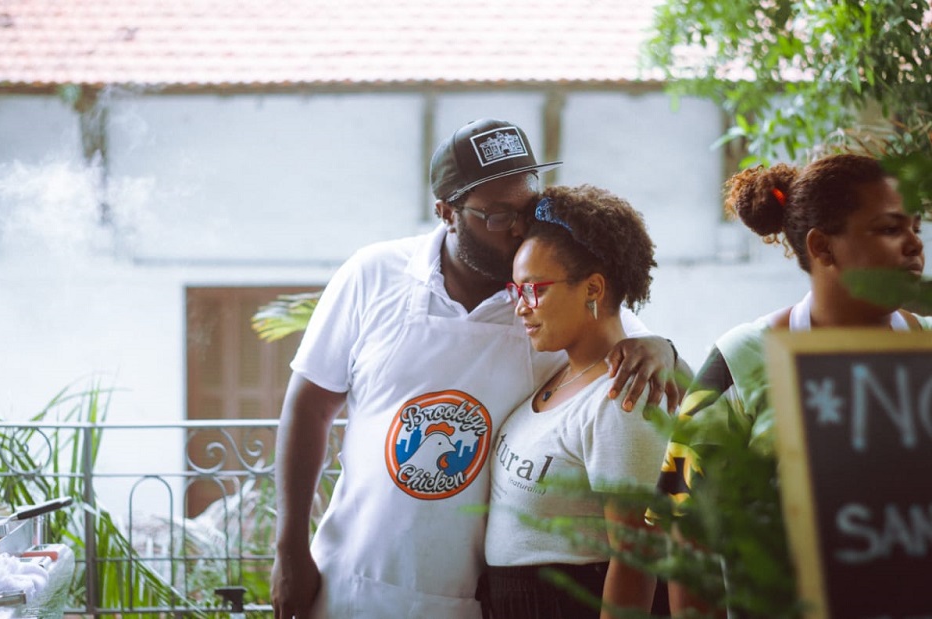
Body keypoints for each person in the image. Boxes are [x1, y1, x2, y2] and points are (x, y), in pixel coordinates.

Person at [269, 117, 685, 619]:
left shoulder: (546, 305)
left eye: (528, 208)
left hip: (470, 596)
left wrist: (663, 348)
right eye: (496, 215)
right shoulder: (373, 274)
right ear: (446, 211)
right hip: (352, 577)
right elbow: (310, 405)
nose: (516, 227)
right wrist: (289, 548)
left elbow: (624, 336)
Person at [650, 153, 928, 617]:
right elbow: (686, 525)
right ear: (822, 248)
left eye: (916, 226)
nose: (914, 244)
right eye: (889, 228)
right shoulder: (739, 360)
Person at [482, 185, 668, 619]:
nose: (521, 309)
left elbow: (636, 556)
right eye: (517, 291)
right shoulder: (558, 374)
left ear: (593, 289)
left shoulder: (622, 399)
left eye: (535, 290)